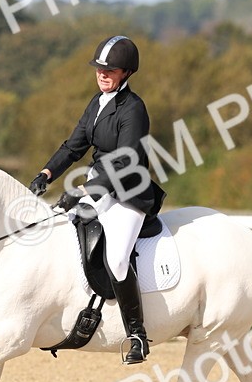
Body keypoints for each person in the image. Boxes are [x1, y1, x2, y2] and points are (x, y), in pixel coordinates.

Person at [28, 36, 166, 364]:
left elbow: (127, 159)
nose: (102, 74)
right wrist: (46, 174)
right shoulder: (97, 102)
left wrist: (83, 191)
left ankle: (137, 334)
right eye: (99, 69)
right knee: (62, 235)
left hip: (128, 193)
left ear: (126, 73)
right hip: (97, 187)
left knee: (117, 258)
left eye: (110, 70)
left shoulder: (133, 108)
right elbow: (73, 145)